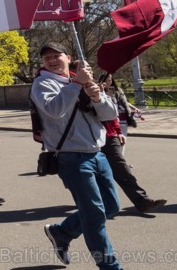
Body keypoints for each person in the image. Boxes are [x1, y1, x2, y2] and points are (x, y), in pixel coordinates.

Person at [31, 43, 122, 269]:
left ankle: (61, 232)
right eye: (47, 58)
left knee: (111, 206)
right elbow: (54, 110)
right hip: (71, 158)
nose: (52, 60)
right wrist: (75, 84)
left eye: (56, 56)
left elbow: (110, 115)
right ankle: (110, 267)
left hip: (97, 154)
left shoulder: (81, 79)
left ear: (68, 57)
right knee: (94, 218)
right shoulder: (42, 83)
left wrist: (98, 98)